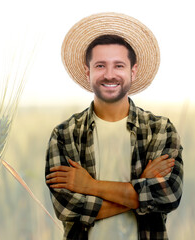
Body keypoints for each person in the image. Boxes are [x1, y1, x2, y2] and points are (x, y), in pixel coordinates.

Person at [45, 12, 183, 240]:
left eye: (119, 65)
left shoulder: (160, 130)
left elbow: (168, 196)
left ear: (133, 71)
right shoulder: (64, 135)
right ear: (88, 71)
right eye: (100, 66)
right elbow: (66, 209)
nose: (109, 75)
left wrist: (88, 186)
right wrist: (140, 187)